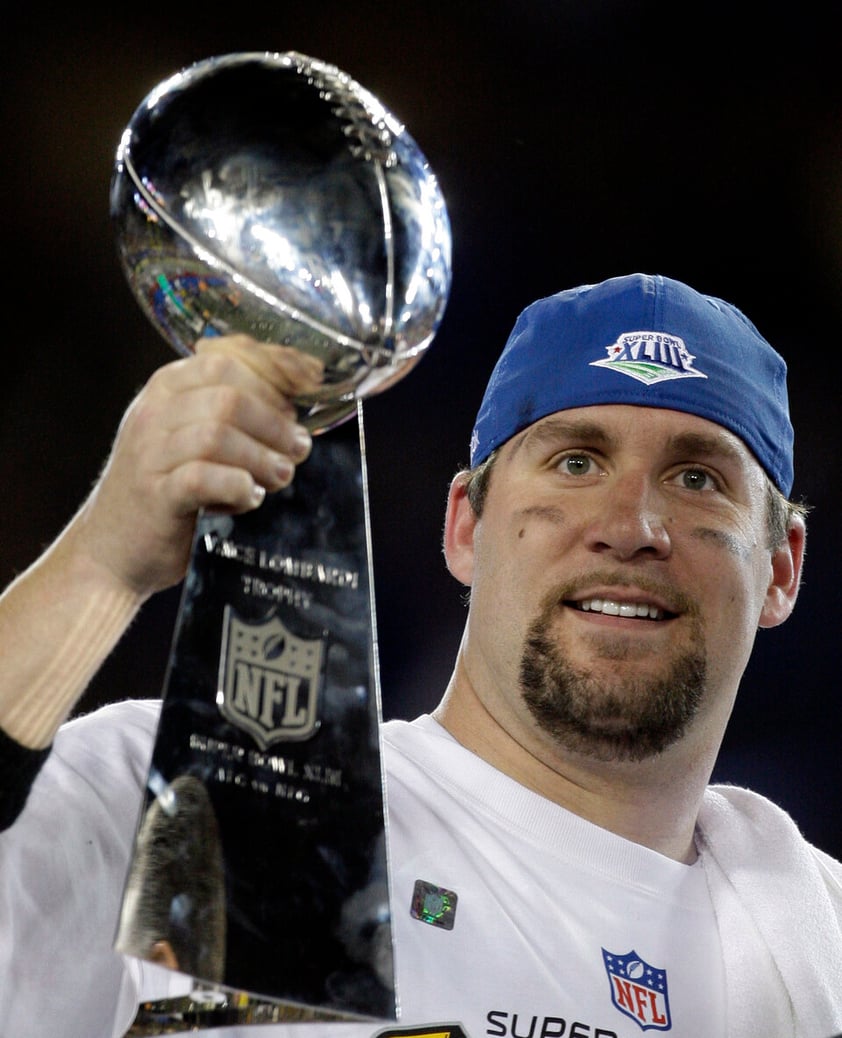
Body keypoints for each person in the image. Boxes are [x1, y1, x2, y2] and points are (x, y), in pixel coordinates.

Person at [0, 273, 840, 1038]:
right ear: (465, 529)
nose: (631, 526)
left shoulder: (819, 939)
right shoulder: (211, 796)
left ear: (781, 569)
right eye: (575, 462)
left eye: (698, 480)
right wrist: (98, 566)